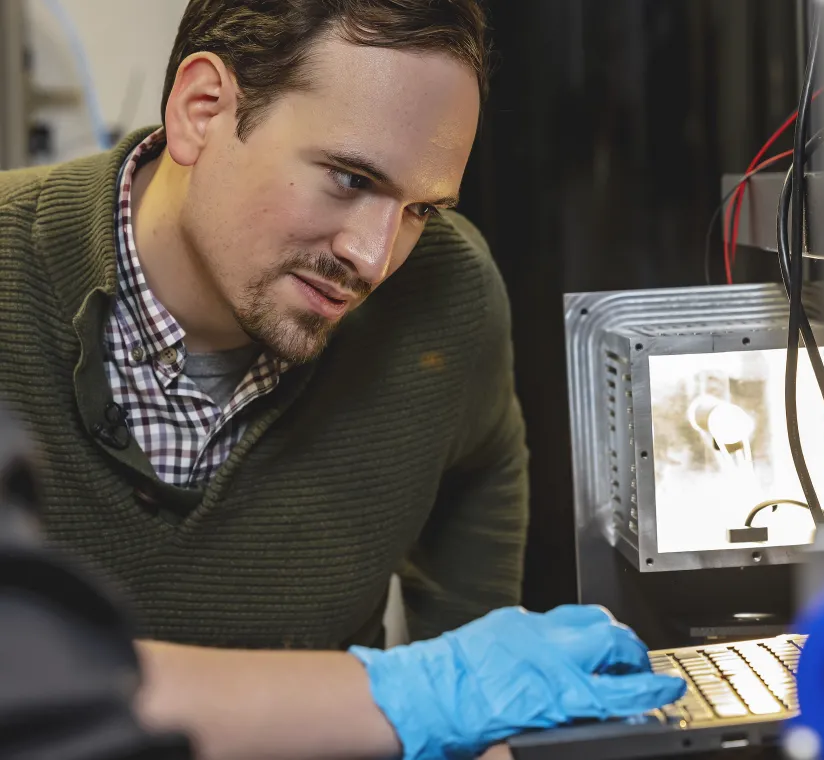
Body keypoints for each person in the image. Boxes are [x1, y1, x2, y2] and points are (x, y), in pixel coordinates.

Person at [0, 1, 684, 758]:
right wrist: (413, 695)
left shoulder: (445, 300)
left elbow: (476, 521)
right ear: (202, 110)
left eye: (421, 208)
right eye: (350, 178)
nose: (373, 257)